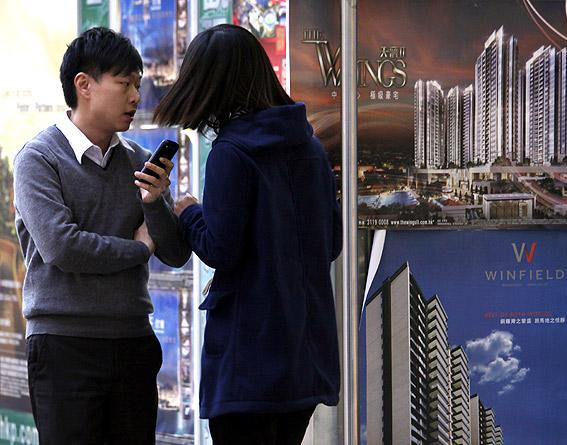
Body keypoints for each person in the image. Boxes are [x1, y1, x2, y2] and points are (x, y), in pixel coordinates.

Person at [154, 24, 342, 445]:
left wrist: (189, 213)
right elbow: (332, 244)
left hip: (248, 363)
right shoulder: (311, 148)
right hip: (305, 358)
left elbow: (220, 248)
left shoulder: (231, 153)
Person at [13, 27, 191, 445]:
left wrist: (153, 201)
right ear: (84, 85)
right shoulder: (38, 159)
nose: (135, 96)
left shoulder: (140, 161)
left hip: (132, 342)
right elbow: (63, 247)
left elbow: (176, 251)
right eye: (125, 83)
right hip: (63, 347)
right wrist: (137, 248)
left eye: (138, 84)